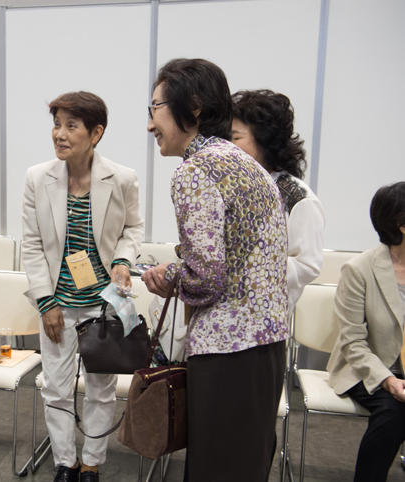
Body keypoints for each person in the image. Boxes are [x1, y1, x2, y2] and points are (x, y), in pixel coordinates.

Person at [142, 59, 289, 481]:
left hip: (227, 351)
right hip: (267, 344)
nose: (150, 125)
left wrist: (167, 276)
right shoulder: (245, 163)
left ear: (194, 106)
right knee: (246, 464)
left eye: (155, 108)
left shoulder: (195, 171)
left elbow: (206, 278)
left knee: (216, 467)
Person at [21, 91, 144, 482]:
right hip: (56, 305)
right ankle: (65, 462)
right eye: (56, 124)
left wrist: (123, 261)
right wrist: (45, 302)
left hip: (103, 304)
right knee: (56, 388)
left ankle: (91, 463)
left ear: (96, 133)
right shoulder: (37, 178)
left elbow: (133, 228)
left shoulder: (121, 178)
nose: (59, 134)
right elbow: (32, 245)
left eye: (71, 126)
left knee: (100, 389)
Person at [327, 182, 405, 482]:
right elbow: (353, 343)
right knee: (393, 412)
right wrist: (389, 381)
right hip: (368, 367)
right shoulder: (359, 269)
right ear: (400, 225)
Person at [232, 89, 325, 314]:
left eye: (235, 138)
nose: (227, 146)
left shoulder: (297, 197)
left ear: (264, 140)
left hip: (264, 319)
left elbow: (307, 265)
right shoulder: (231, 186)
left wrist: (246, 266)